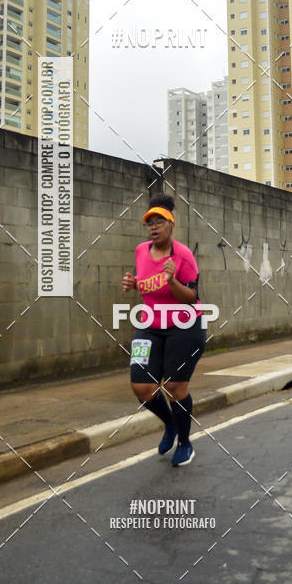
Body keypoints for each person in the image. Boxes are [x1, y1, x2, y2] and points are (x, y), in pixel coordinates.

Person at [121, 193, 205, 467]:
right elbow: (147, 285)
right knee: (142, 386)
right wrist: (133, 284)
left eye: (160, 221)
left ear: (171, 225)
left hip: (184, 325)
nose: (154, 227)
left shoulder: (183, 255)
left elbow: (192, 297)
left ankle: (185, 441)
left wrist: (172, 281)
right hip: (150, 325)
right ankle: (169, 424)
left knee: (173, 387)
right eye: (149, 223)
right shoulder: (140, 250)